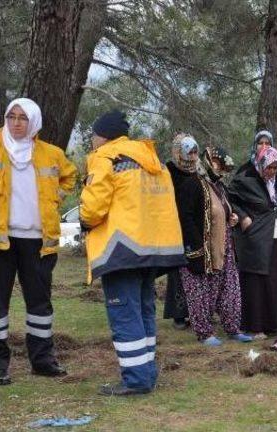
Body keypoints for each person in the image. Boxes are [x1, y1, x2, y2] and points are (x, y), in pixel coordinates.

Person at [80, 110, 185, 396]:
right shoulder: (152, 160)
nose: (91, 141)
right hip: (152, 248)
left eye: (92, 135)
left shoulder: (105, 157)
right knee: (144, 311)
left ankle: (136, 381)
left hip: (121, 249)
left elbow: (93, 207)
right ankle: (147, 372)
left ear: (102, 135)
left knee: (125, 314)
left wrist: (84, 221)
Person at [0, 98, 77, 386]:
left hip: (38, 241)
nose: (16, 123)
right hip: (2, 242)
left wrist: (55, 198)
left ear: (33, 121)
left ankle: (43, 361)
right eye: (11, 117)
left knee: (40, 303)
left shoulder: (51, 154)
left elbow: (71, 177)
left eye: (22, 118)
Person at [177, 144, 253, 346]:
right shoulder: (192, 184)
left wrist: (232, 217)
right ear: (208, 160)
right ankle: (204, 333)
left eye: (223, 166)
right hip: (201, 249)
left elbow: (222, 212)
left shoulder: (218, 186)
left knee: (230, 288)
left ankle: (232, 328)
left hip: (224, 247)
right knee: (200, 290)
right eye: (217, 163)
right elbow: (186, 218)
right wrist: (196, 247)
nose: (219, 169)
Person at [229, 146, 277, 339]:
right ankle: (255, 326)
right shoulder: (245, 181)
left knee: (274, 279)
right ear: (260, 164)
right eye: (269, 167)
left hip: (274, 238)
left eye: (275, 167)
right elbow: (229, 199)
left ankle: (274, 323)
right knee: (256, 281)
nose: (272, 171)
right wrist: (243, 216)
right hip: (254, 239)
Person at [164, 134, 198, 330]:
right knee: (177, 271)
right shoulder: (169, 170)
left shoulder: (197, 170)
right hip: (175, 225)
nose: (192, 156)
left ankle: (195, 311)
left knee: (194, 268)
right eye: (189, 152)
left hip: (193, 224)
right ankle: (178, 314)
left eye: (194, 152)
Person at [237, 130, 277, 211]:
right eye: (260, 143)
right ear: (255, 145)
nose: (264, 146)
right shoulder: (246, 169)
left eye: (267, 143)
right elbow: (236, 196)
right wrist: (245, 216)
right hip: (255, 219)